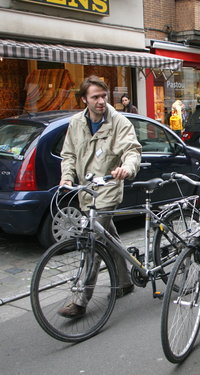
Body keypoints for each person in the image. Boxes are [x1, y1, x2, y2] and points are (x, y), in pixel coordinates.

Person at [58, 76, 142, 318]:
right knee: (109, 237)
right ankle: (125, 281)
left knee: (92, 243)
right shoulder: (76, 123)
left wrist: (127, 168)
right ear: (84, 99)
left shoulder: (119, 121)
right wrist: (66, 177)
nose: (101, 101)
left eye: (104, 96)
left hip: (107, 189)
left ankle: (81, 299)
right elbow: (69, 155)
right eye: (95, 97)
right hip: (87, 190)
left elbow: (132, 150)